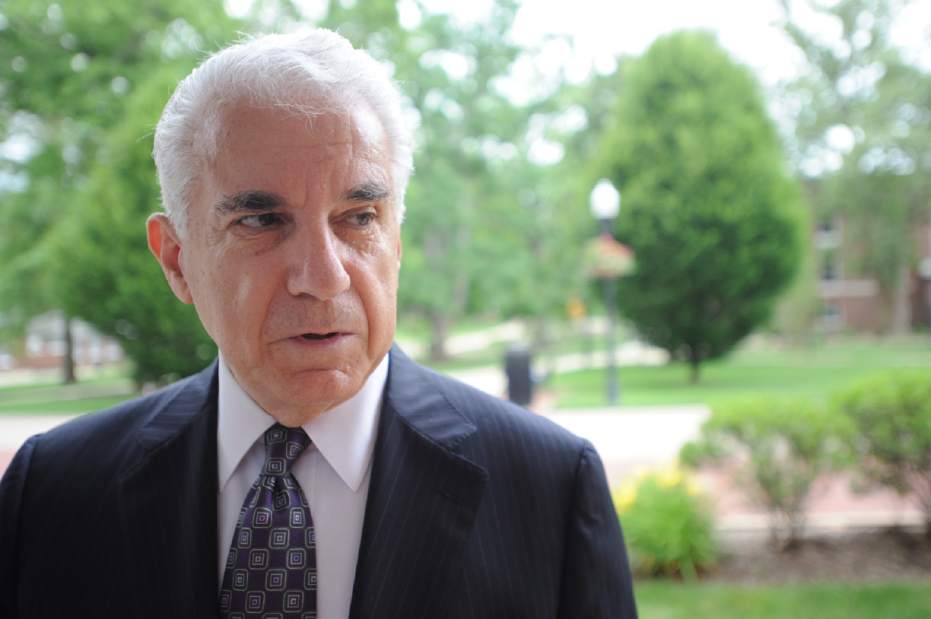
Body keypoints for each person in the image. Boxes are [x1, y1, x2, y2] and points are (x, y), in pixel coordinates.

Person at [0, 30, 637, 619]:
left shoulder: (551, 489)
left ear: (396, 241)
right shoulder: (53, 492)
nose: (323, 276)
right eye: (261, 221)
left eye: (359, 217)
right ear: (176, 260)